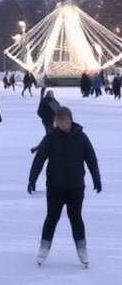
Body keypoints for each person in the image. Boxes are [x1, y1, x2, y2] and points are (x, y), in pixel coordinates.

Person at [28, 106, 102, 267]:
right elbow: (39, 159)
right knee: (52, 217)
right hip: (55, 186)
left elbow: (91, 159)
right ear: (55, 122)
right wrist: (32, 179)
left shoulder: (82, 138)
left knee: (76, 217)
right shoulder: (51, 138)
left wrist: (96, 179)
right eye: (59, 122)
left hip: (76, 186)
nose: (63, 125)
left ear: (70, 120)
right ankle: (44, 247)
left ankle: (82, 249)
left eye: (65, 122)